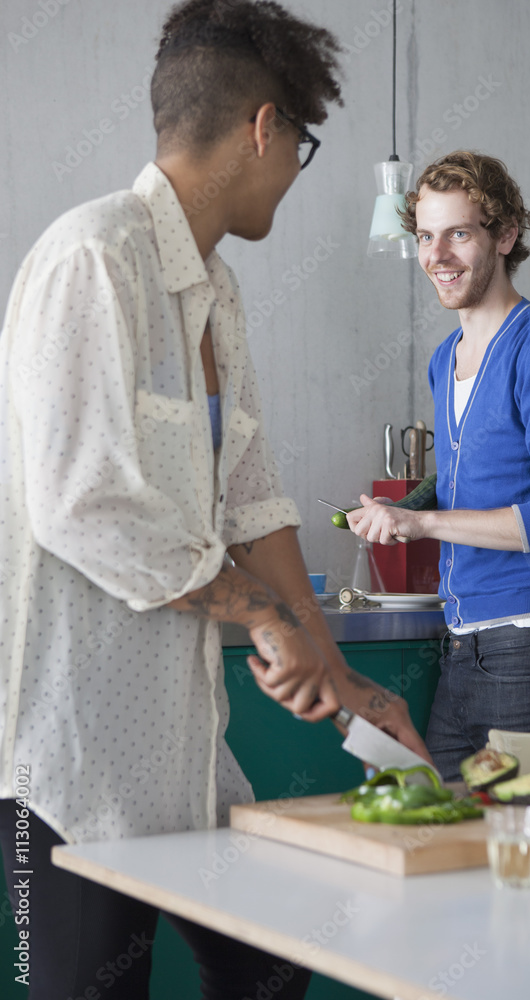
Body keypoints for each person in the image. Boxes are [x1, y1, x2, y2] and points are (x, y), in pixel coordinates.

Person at [0, 2, 429, 997]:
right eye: (301, 146)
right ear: (263, 127)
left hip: (189, 760)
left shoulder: (217, 294)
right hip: (72, 770)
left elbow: (249, 496)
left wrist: (346, 684)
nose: (291, 170)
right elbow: (82, 506)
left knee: (273, 973)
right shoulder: (92, 259)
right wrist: (259, 614)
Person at [347, 150, 530, 781]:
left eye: (459, 234)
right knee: (448, 837)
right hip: (468, 644)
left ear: (505, 235)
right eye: (427, 237)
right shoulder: (447, 357)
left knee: (514, 856)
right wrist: (403, 511)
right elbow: (468, 478)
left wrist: (423, 528)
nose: (438, 255)